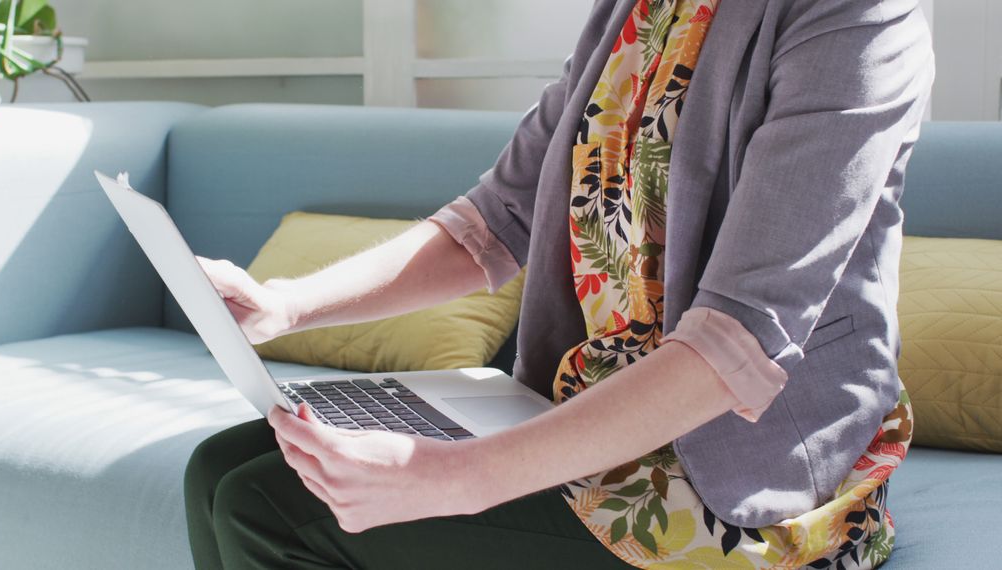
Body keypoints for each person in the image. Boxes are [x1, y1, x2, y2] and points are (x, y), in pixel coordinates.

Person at [184, 0, 933, 567]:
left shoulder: (861, 19)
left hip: (739, 466)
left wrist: (453, 478)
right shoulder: (636, 12)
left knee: (265, 505)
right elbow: (493, 219)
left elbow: (738, 341)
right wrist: (285, 305)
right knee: (218, 469)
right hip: (591, 409)